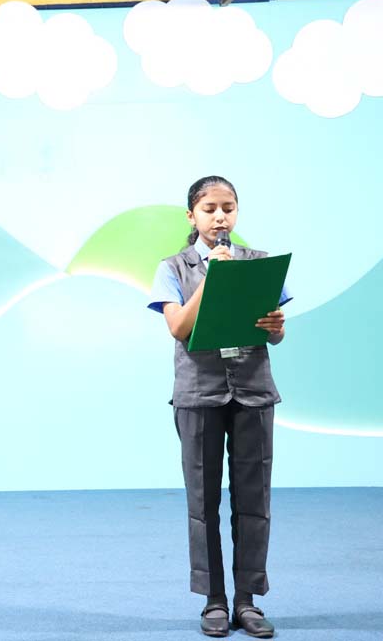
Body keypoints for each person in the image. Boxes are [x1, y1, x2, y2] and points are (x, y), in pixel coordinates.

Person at [147, 176, 289, 639]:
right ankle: (213, 600)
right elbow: (178, 327)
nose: (220, 216)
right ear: (192, 215)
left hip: (253, 391)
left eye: (228, 207)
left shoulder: (259, 263)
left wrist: (275, 326)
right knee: (203, 501)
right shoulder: (173, 267)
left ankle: (247, 600)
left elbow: (275, 332)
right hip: (199, 394)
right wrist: (213, 278)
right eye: (209, 208)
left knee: (254, 501)